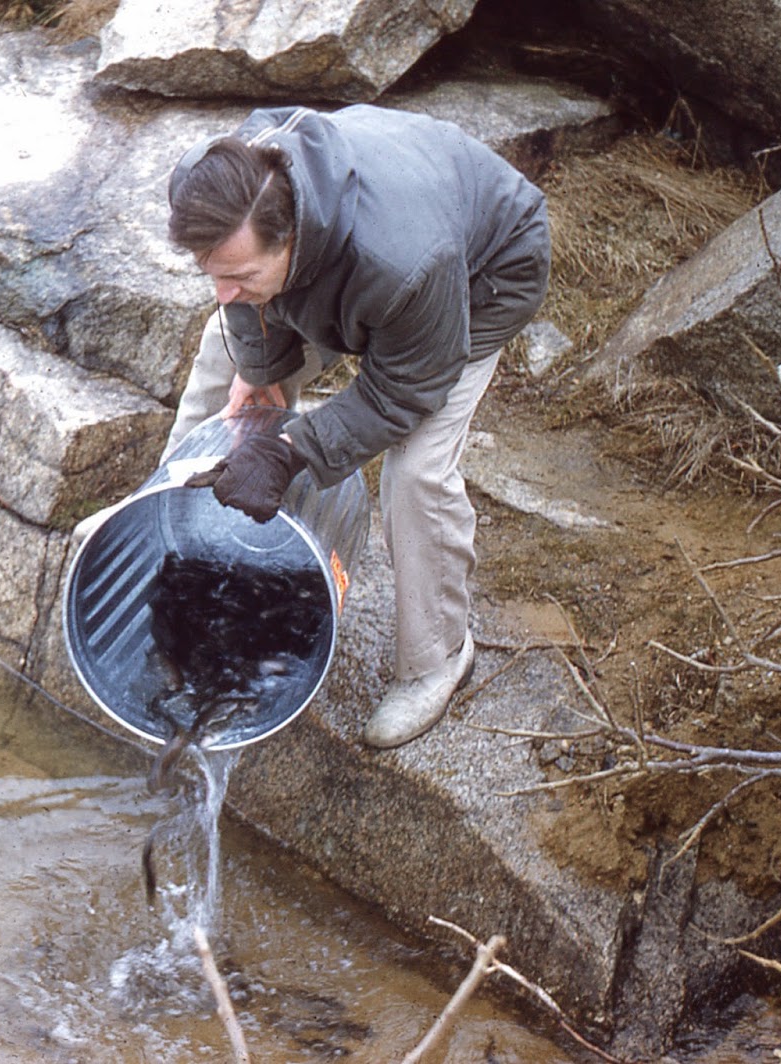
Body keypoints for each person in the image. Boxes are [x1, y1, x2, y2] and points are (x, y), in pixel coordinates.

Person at [163, 104, 551, 749]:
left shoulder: (406, 264)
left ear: (291, 238)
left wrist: (290, 450)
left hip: (481, 275)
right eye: (214, 273)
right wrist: (259, 366)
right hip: (356, 260)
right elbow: (241, 299)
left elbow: (403, 390)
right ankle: (163, 518)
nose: (223, 290)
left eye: (240, 276)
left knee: (417, 471)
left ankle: (437, 659)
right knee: (220, 349)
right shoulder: (220, 185)